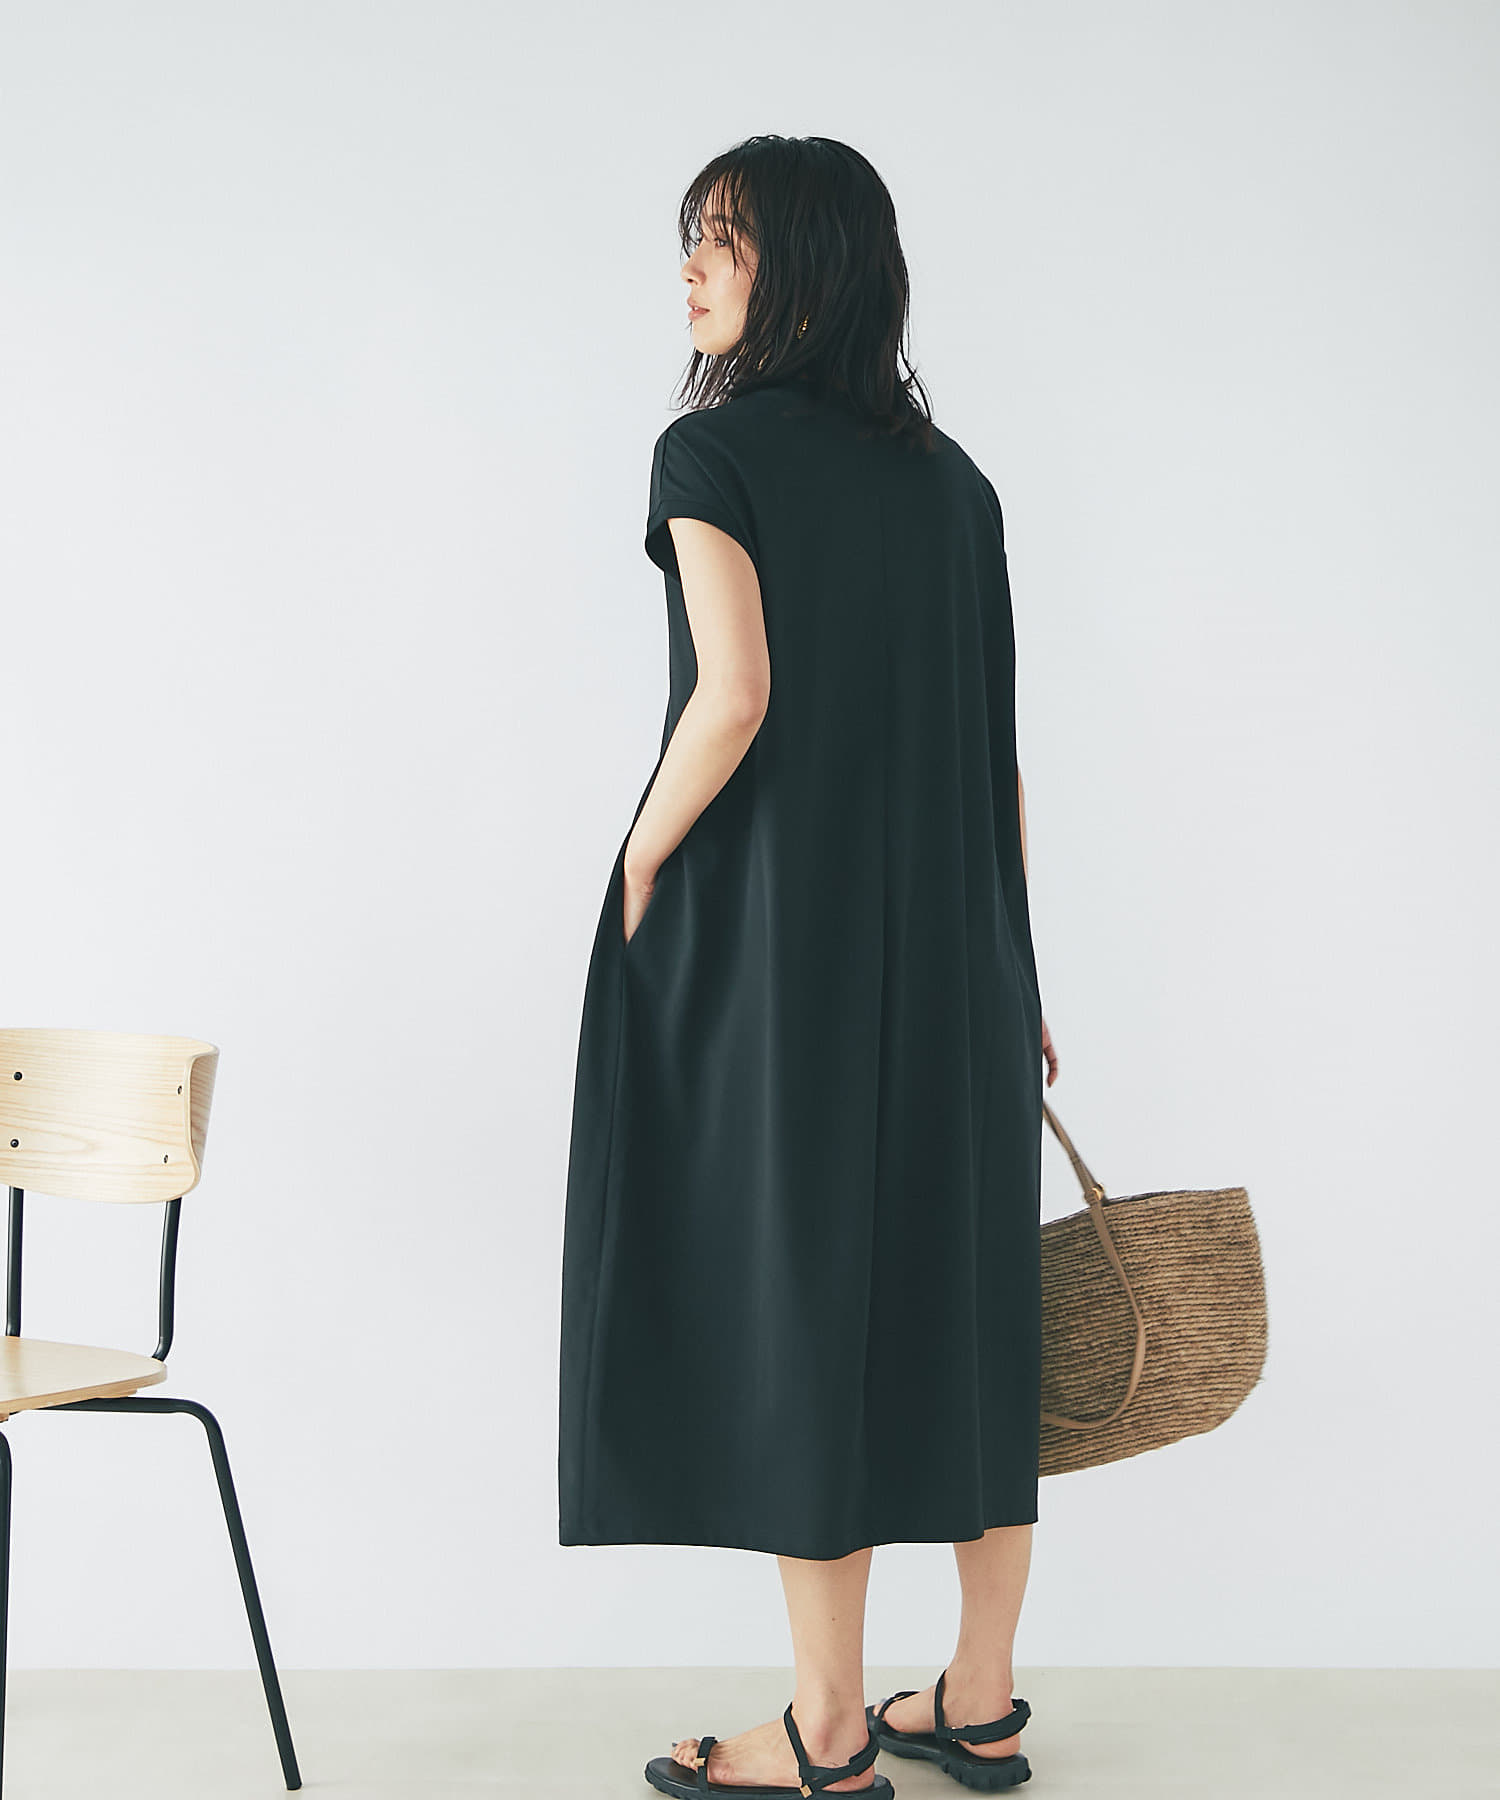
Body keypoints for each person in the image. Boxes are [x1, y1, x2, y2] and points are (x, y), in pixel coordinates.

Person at [557, 135, 1059, 1799]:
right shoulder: (958, 485)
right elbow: (992, 756)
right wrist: (1020, 972)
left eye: (723, 242)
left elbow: (737, 695)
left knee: (806, 1305)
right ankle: (979, 1696)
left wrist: (638, 858)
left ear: (807, 267)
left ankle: (829, 1728)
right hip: (962, 955)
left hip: (779, 953)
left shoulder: (710, 452)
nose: (691, 272)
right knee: (967, 1313)